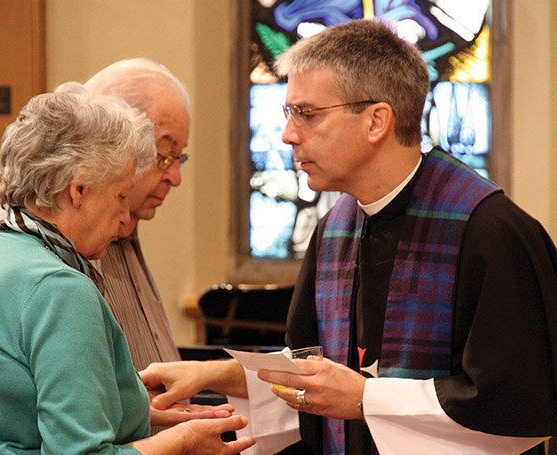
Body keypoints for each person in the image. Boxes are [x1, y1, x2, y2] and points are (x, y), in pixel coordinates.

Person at [139, 19, 557, 455]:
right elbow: (320, 372)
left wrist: (365, 400)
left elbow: (518, 408)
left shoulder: (490, 231)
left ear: (376, 121)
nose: (287, 135)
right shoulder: (335, 229)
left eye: (307, 113)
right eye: (288, 113)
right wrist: (214, 374)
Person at [0, 82, 255, 454]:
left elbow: (3, 415)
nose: (124, 215)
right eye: (119, 195)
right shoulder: (59, 287)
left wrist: (125, 404)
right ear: (78, 190)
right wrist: (179, 444)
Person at [0, 58, 189, 373]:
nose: (176, 177)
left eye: (181, 157)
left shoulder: (117, 219)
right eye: (165, 156)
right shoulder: (16, 231)